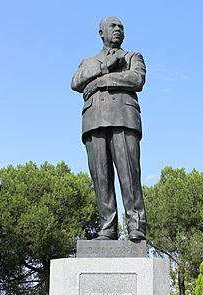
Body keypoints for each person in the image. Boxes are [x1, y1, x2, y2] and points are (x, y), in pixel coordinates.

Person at [71, 17, 147, 241]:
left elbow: (136, 79)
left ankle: (136, 225)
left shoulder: (132, 57)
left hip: (123, 117)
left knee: (129, 175)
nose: (118, 30)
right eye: (113, 26)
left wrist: (100, 82)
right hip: (94, 120)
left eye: (121, 27)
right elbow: (76, 83)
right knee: (100, 177)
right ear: (101, 33)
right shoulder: (89, 62)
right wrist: (104, 68)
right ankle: (107, 227)